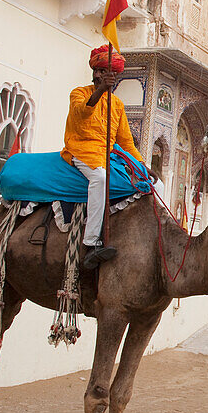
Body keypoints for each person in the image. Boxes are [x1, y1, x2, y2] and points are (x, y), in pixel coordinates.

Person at [62, 46, 154, 269]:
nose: (103, 75)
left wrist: (142, 164)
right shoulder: (79, 93)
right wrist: (101, 90)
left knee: (152, 183)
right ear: (95, 72)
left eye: (109, 72)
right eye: (101, 71)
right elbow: (82, 112)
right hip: (82, 150)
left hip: (110, 154)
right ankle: (91, 241)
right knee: (100, 178)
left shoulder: (118, 105)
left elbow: (125, 141)